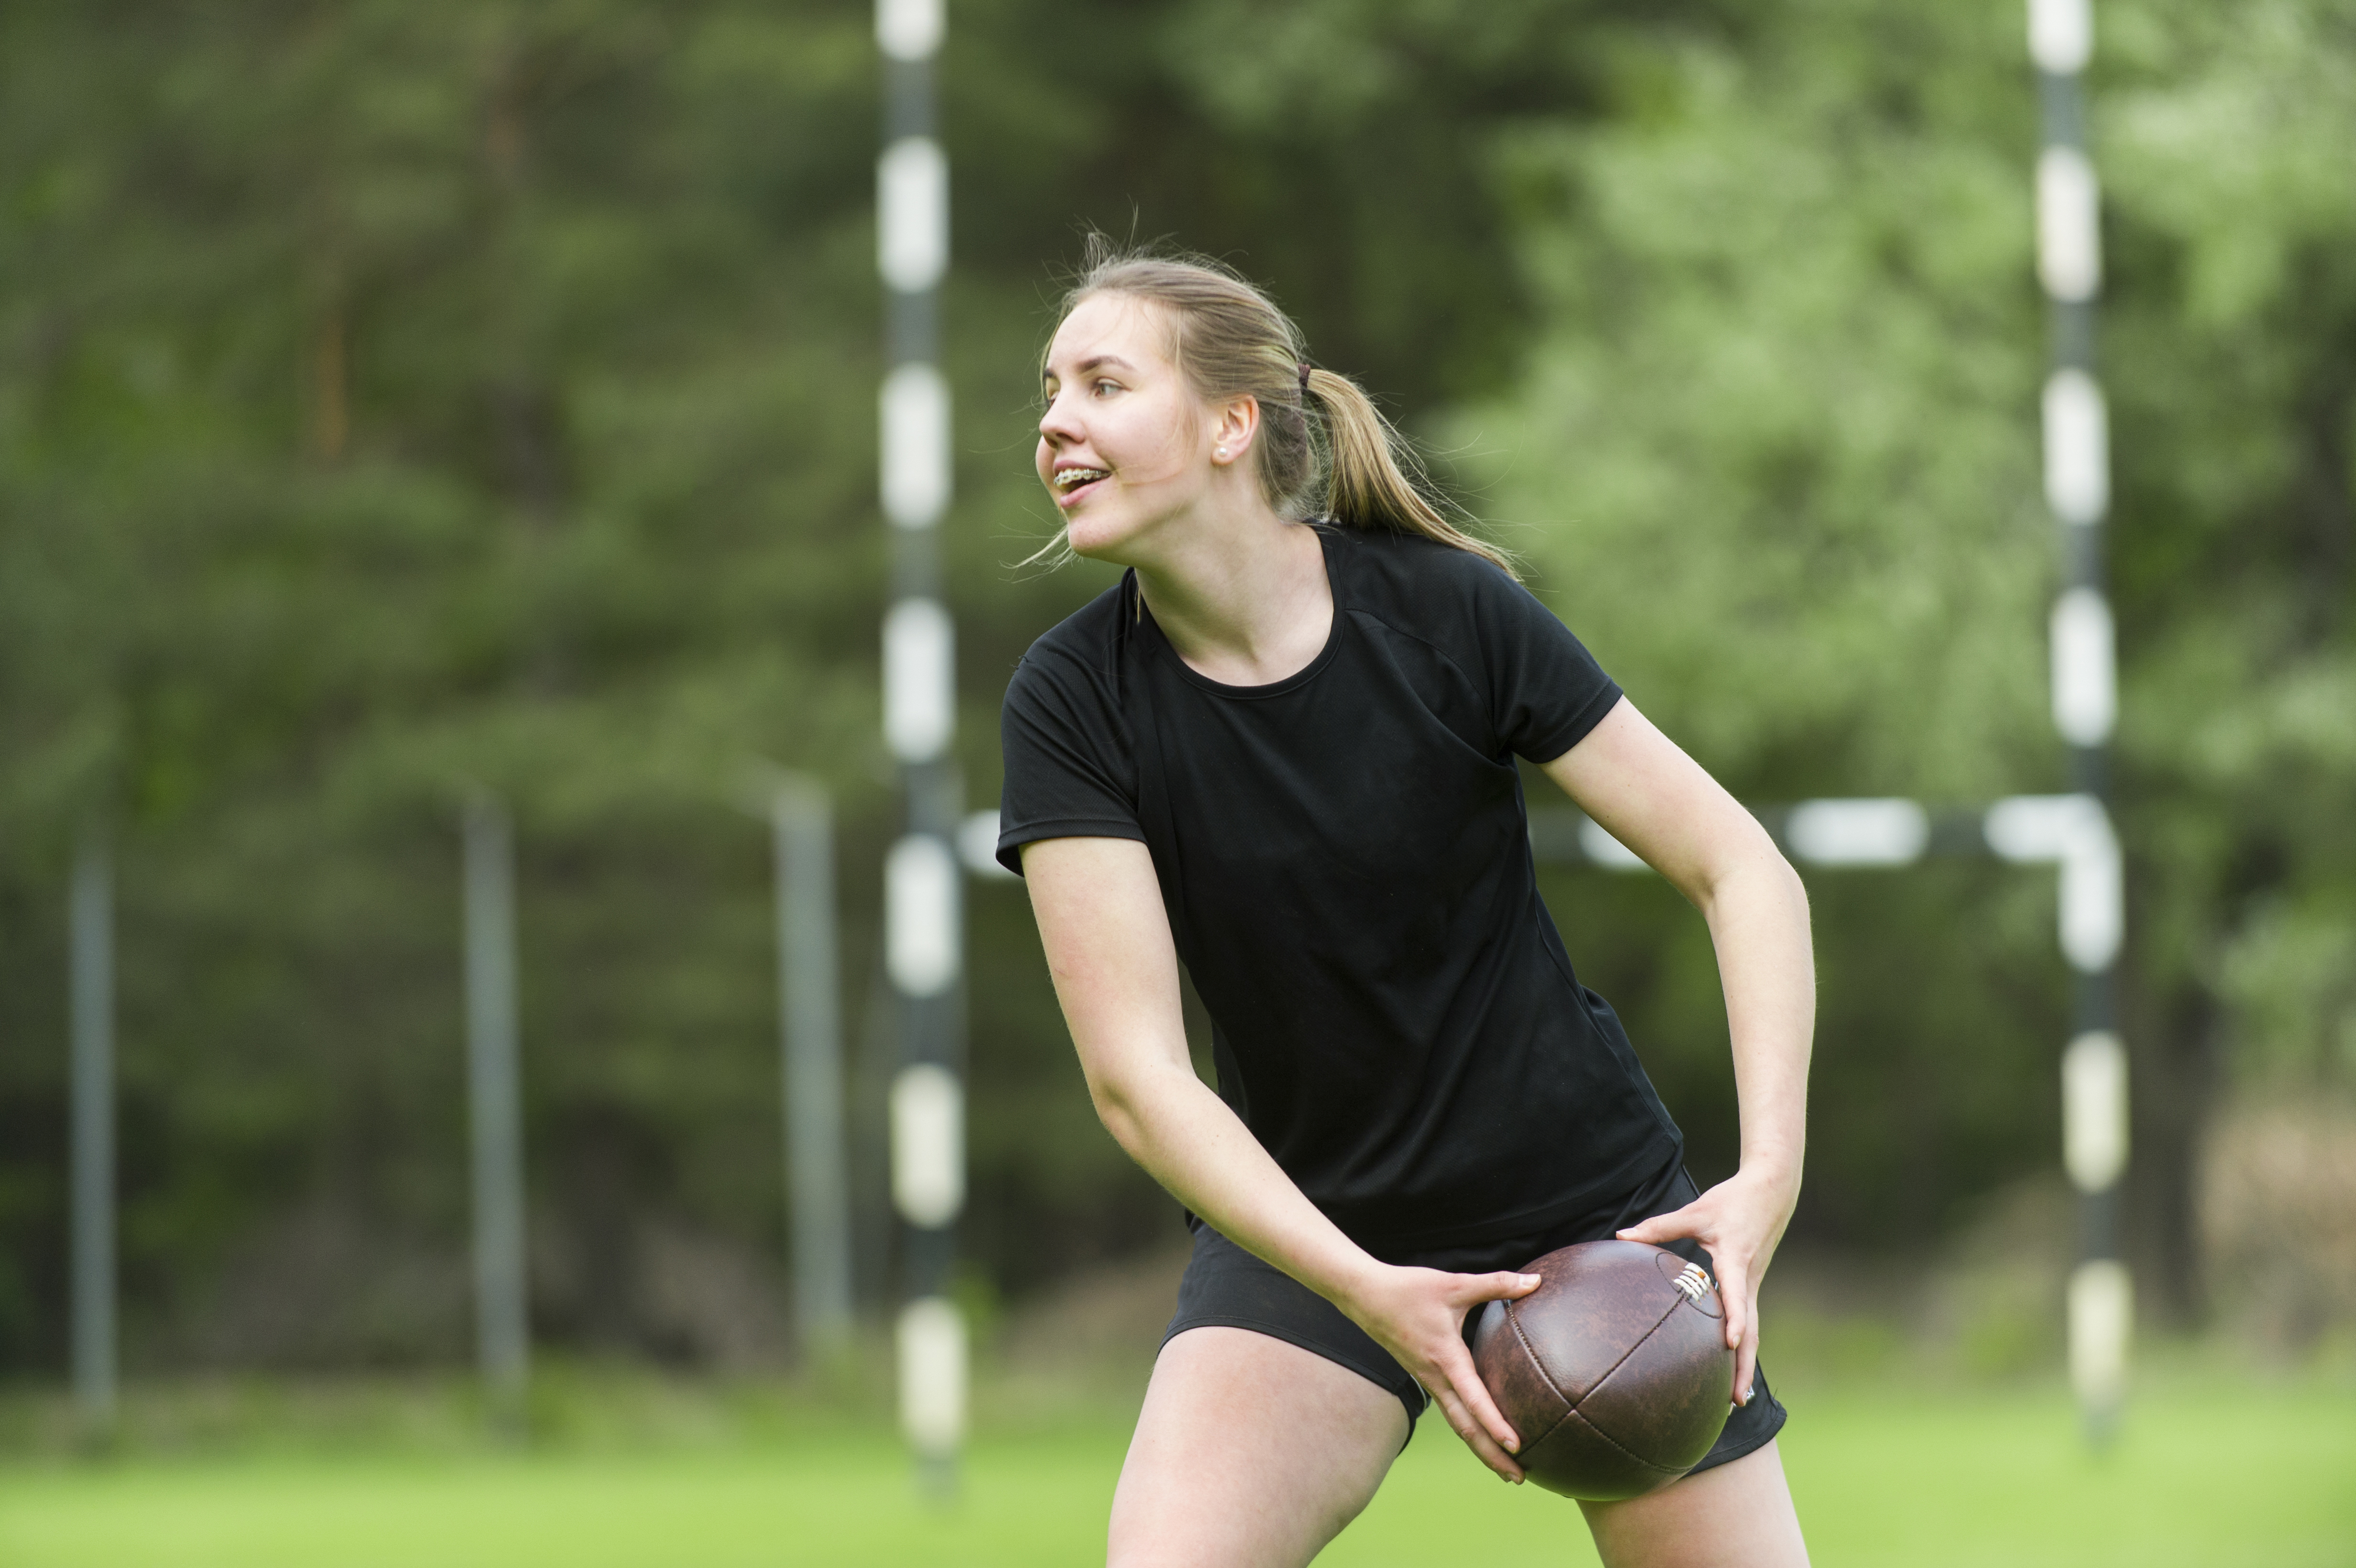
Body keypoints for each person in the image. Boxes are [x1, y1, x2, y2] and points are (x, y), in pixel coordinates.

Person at [995, 240, 1815, 1568]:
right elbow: (1139, 1080)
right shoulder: (1074, 699)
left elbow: (1743, 870)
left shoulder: (1448, 613)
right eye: (1049, 390)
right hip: (1313, 1235)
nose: (1054, 421)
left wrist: (1764, 1180)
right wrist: (1368, 1289)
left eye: (1101, 383)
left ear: (1228, 424)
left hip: (1591, 1217)